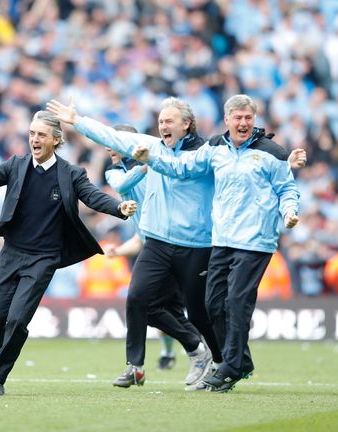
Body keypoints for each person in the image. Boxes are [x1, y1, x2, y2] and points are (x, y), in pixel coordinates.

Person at [0, 110, 138, 396]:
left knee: (17, 320)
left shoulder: (71, 174)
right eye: (32, 133)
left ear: (56, 140)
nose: (34, 139)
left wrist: (118, 208)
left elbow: (93, 197)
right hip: (12, 253)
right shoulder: (16, 165)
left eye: (41, 134)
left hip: (44, 259)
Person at [47, 97, 220, 390]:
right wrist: (77, 121)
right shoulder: (143, 152)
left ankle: (215, 358)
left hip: (195, 244)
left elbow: (198, 168)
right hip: (155, 240)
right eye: (161, 122)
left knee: (197, 312)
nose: (163, 126)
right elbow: (112, 140)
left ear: (186, 124)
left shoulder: (203, 153)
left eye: (169, 121)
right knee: (138, 298)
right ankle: (143, 363)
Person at [131, 94, 301, 392]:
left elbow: (287, 188)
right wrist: (151, 159)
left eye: (248, 117)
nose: (243, 122)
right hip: (221, 239)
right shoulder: (215, 148)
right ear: (227, 120)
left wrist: (289, 211)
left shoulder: (272, 152)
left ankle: (231, 366)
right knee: (211, 304)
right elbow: (181, 167)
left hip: (255, 241)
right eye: (237, 117)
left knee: (237, 301)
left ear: (254, 119)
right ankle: (241, 361)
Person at [103, 129, 177, 370]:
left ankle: (202, 350)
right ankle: (156, 358)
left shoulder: (156, 170)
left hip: (176, 245)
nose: (108, 146)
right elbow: (140, 236)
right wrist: (146, 166)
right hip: (154, 250)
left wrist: (150, 164)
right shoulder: (115, 172)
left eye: (113, 141)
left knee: (178, 310)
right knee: (149, 305)